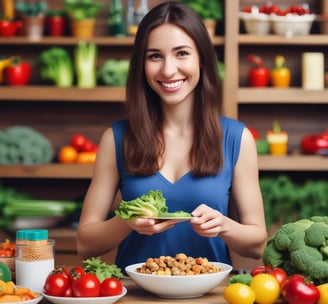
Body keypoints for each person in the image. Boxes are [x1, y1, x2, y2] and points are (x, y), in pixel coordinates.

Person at [77, 1, 267, 271]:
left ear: (201, 58)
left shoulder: (237, 139)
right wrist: (126, 222)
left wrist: (224, 225)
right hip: (136, 294)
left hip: (208, 295)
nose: (168, 70)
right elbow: (85, 243)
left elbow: (257, 244)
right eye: (155, 56)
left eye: (181, 53)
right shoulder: (117, 138)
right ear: (141, 65)